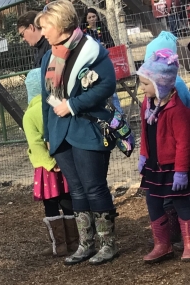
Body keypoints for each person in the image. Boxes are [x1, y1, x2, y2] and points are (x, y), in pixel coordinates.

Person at [36, 0, 118, 265]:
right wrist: (48, 133)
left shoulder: (92, 50)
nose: (43, 32)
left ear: (60, 24)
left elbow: (106, 84)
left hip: (87, 128)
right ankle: (86, 244)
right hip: (60, 133)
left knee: (94, 187)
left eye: (45, 26)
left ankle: (108, 244)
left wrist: (72, 104)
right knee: (77, 191)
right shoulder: (48, 56)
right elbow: (46, 97)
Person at [137, 48, 190, 263]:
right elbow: (144, 132)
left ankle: (188, 243)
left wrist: (182, 171)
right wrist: (143, 155)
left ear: (162, 84)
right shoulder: (146, 105)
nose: (142, 88)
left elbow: (185, 143)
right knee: (152, 201)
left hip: (173, 167)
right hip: (154, 165)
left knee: (182, 203)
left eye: (146, 84)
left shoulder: (177, 110)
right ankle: (162, 243)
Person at [23, 68, 78, 256]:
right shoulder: (57, 104)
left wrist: (49, 163)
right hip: (65, 161)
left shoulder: (30, 115)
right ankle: (75, 242)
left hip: (47, 169)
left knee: (51, 204)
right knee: (67, 200)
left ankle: (59, 246)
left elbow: (35, 143)